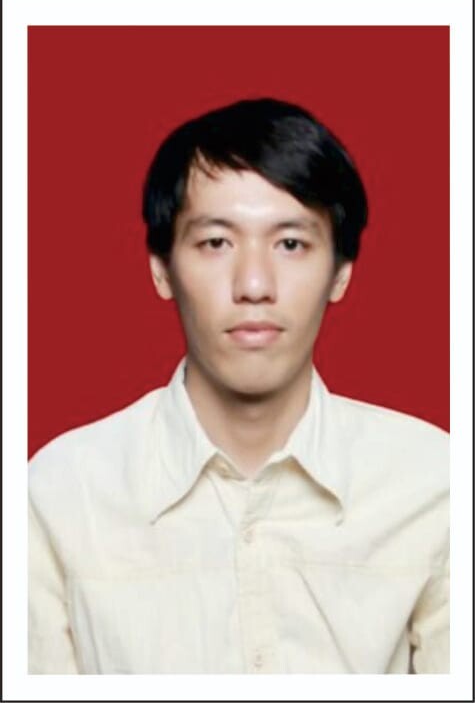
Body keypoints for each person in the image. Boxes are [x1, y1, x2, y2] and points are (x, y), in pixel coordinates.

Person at [28, 98, 449, 674]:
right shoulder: (59, 493)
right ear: (161, 269)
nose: (254, 284)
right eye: (216, 243)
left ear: (341, 273)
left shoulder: (436, 483)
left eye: (291, 244)